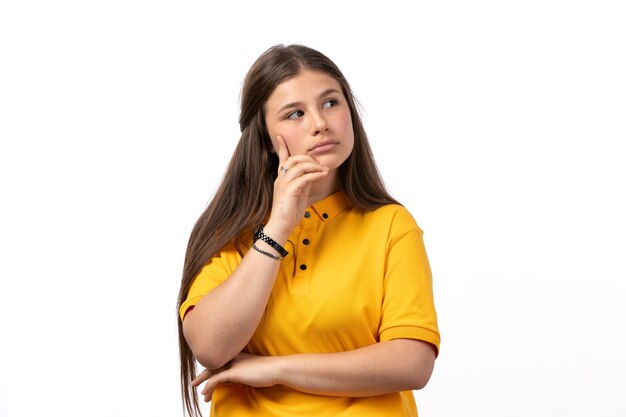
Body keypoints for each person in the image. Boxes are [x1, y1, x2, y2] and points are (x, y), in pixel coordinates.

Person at [176, 44, 440, 417]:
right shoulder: (229, 233)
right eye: (295, 113)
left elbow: (412, 363)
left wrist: (275, 369)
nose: (320, 123)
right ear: (266, 137)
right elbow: (211, 347)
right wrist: (278, 226)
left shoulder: (391, 226)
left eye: (331, 103)